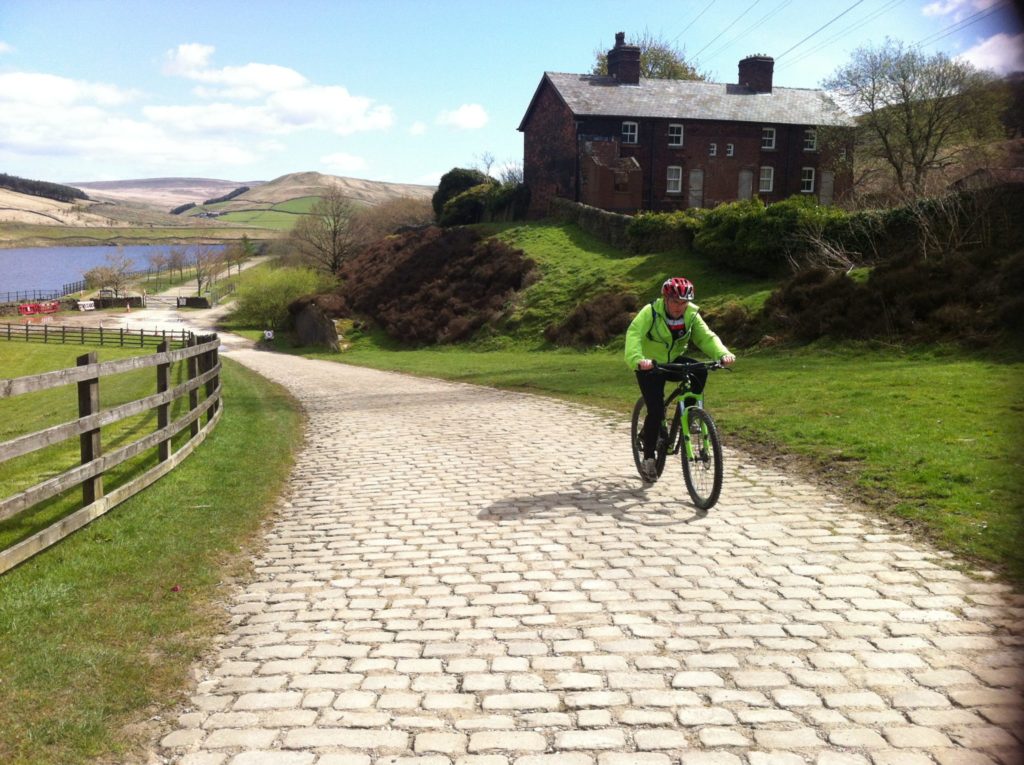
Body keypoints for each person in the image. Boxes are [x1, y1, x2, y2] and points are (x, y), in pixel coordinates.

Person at [625, 277, 735, 482]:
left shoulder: (691, 315)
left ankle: (691, 413)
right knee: (656, 411)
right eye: (675, 302)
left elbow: (706, 337)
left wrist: (722, 354)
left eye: (684, 303)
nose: (680, 307)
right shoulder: (650, 312)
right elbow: (634, 334)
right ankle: (648, 458)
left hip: (673, 361)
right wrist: (638, 360)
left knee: (700, 370)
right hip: (650, 364)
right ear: (665, 299)